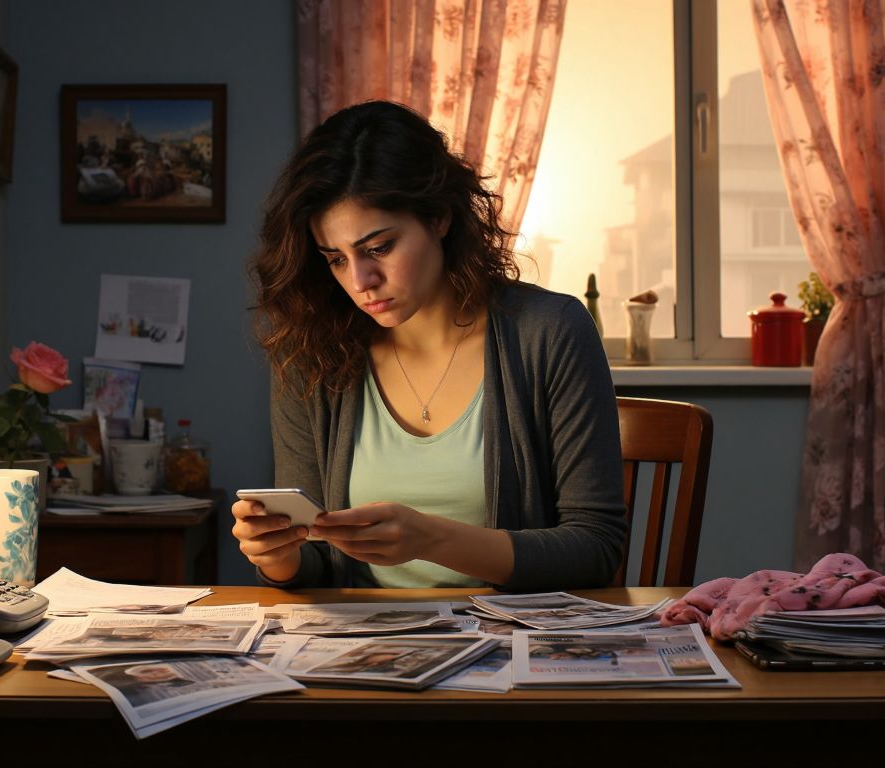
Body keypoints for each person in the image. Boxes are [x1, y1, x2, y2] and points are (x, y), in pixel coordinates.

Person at [234, 100, 627, 591]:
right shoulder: (311, 354)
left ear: (439, 217)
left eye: (379, 248)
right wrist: (278, 556)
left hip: (507, 633)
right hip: (361, 635)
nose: (360, 280)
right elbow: (316, 564)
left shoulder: (550, 332)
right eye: (336, 258)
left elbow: (595, 549)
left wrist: (431, 539)